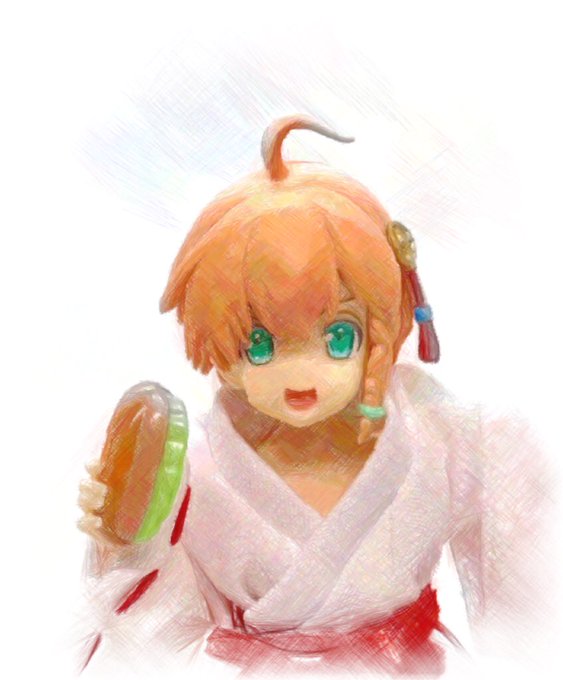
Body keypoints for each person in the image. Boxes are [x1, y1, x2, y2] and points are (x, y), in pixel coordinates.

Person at [77, 116, 550, 676]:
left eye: (338, 337)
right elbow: (158, 635)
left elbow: (528, 617)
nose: (300, 374)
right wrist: (129, 538)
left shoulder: (443, 436)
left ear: (382, 325)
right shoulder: (197, 469)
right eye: (259, 345)